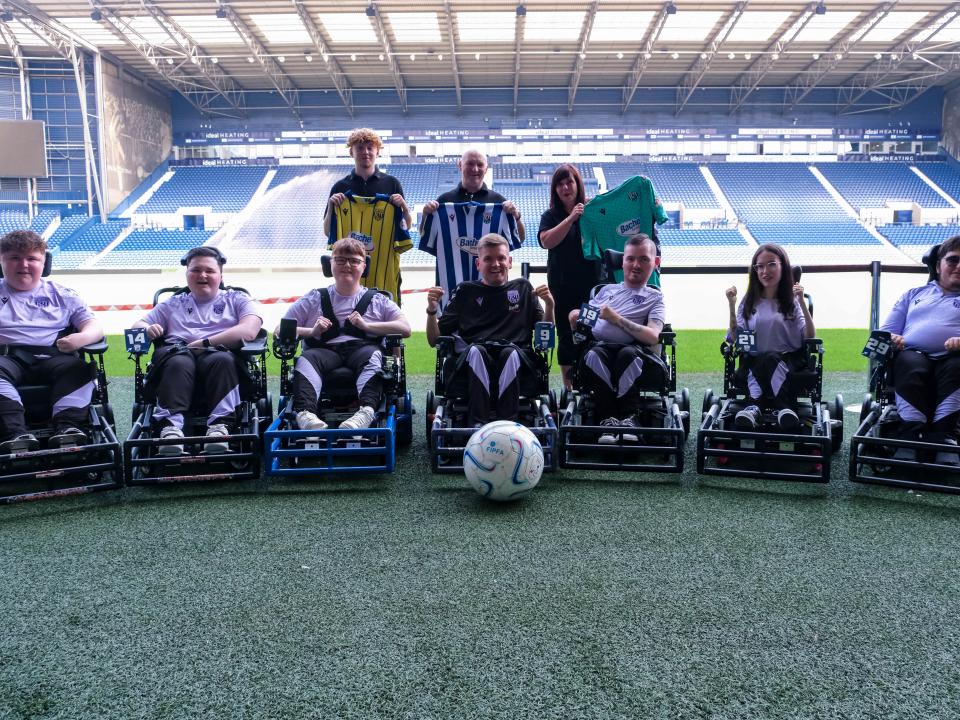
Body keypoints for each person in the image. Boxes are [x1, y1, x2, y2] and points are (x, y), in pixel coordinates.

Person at [133, 246, 264, 456]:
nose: (202, 275)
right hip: (177, 356)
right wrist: (147, 328)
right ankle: (171, 429)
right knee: (179, 361)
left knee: (221, 359)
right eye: (195, 270)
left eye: (210, 271)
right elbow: (136, 326)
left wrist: (204, 343)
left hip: (219, 356)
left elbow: (249, 330)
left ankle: (220, 427)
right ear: (187, 274)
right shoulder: (173, 303)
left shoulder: (236, 299)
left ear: (220, 275)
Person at [279, 237, 411, 432]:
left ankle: (365, 412)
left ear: (364, 266)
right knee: (305, 359)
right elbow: (279, 330)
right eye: (340, 260)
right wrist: (312, 331)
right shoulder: (314, 298)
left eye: (354, 261)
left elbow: (405, 328)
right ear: (329, 265)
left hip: (363, 351)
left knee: (374, 356)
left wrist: (367, 326)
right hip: (323, 353)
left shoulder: (377, 300)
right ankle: (306, 414)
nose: (347, 265)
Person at [425, 234, 554, 427]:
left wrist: (550, 305)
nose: (496, 264)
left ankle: (506, 424)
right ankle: (478, 423)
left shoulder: (523, 288)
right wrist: (432, 310)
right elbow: (434, 340)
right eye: (488, 259)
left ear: (509, 261)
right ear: (478, 264)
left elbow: (545, 338)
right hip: (475, 356)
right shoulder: (466, 291)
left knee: (510, 353)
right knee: (477, 351)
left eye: (501, 258)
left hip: (516, 355)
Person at [0, 230, 103, 453]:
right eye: (15, 258)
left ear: (44, 262)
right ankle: (16, 434)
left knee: (81, 369)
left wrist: (81, 337)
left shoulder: (62, 293)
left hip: (53, 356)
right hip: (5, 359)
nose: (24, 264)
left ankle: (68, 430)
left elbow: (94, 326)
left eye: (32, 258)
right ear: (2, 261)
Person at [567, 233, 666, 444]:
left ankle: (629, 418)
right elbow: (585, 324)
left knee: (627, 354)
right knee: (594, 354)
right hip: (599, 348)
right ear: (623, 261)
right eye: (630, 258)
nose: (636, 265)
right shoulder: (605, 292)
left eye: (643, 259)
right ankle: (607, 419)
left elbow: (652, 336)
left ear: (655, 263)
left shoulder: (654, 298)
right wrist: (575, 317)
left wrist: (617, 319)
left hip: (635, 352)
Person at [879, 236, 960, 463]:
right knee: (908, 362)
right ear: (938, 266)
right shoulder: (913, 295)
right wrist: (892, 338)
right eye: (953, 260)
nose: (959, 266)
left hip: (955, 360)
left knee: (957, 366)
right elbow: (882, 334)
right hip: (913, 355)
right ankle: (911, 435)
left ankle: (944, 438)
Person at [725, 243, 815, 432]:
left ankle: (756, 406)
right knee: (761, 359)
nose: (765, 271)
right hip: (754, 360)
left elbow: (809, 336)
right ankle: (782, 409)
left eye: (771, 264)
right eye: (760, 266)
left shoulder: (791, 301)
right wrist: (732, 305)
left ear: (783, 266)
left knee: (771, 358)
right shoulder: (749, 300)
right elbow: (735, 337)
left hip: (787, 360)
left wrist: (801, 303)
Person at [419, 149, 525, 306]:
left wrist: (516, 216)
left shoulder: (499, 203)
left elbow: (519, 239)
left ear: (486, 168)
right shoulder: (443, 202)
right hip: (452, 292)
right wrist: (426, 216)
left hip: (492, 292)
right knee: (451, 328)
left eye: (480, 164)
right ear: (460, 165)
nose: (475, 169)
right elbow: (424, 236)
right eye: (470, 163)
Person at [324, 128, 413, 301]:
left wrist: (405, 209)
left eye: (370, 147)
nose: (365, 152)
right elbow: (328, 232)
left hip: (384, 271)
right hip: (349, 273)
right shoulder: (340, 188)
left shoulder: (392, 183)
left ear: (377, 151)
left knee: (386, 320)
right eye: (360, 148)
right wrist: (330, 206)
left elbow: (406, 227)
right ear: (351, 152)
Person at [538, 163, 600, 389]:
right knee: (565, 334)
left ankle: (591, 381)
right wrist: (571, 218)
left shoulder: (592, 209)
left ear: (578, 184)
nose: (565, 187)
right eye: (560, 184)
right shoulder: (551, 215)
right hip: (562, 285)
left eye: (569, 182)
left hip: (591, 285)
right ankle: (568, 388)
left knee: (591, 330)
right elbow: (546, 241)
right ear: (555, 189)